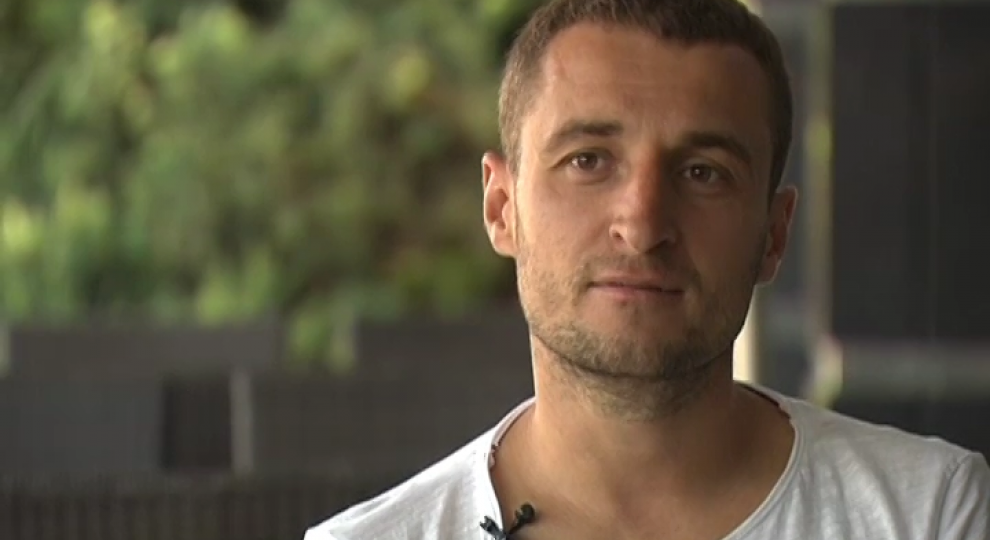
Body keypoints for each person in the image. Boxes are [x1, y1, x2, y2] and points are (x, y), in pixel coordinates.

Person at [305, 0, 990, 538]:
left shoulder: (929, 513)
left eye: (703, 172)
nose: (642, 225)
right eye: (588, 160)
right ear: (501, 207)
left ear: (774, 233)